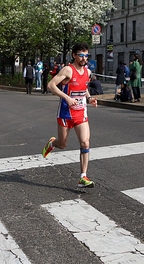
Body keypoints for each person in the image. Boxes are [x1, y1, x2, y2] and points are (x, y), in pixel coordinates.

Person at [42, 43, 97, 188]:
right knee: (63, 144)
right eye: (81, 55)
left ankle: (83, 177)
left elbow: (83, 88)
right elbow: (51, 85)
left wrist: (90, 98)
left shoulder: (87, 72)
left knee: (85, 142)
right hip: (66, 113)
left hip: (81, 113)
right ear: (74, 55)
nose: (84, 58)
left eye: (86, 55)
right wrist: (66, 97)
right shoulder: (68, 70)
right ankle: (52, 143)